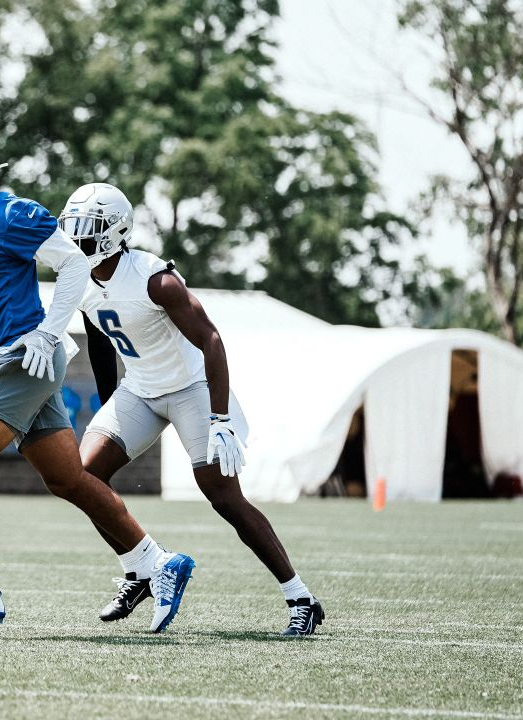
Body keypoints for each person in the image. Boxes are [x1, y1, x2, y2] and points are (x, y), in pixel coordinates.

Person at [0, 117, 195, 633]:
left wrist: (48, 332)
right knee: (67, 479)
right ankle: (155, 562)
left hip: (24, 354)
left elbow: (74, 266)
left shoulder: (12, 213)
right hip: (5, 354)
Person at [59, 182, 325, 636]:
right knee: (82, 477)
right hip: (140, 390)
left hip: (190, 389)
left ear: (112, 233)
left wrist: (220, 417)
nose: (75, 240)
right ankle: (141, 570)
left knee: (224, 497)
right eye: (72, 229)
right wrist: (109, 406)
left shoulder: (153, 278)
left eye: (86, 231)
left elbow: (211, 340)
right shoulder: (79, 280)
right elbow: (100, 343)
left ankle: (301, 597)